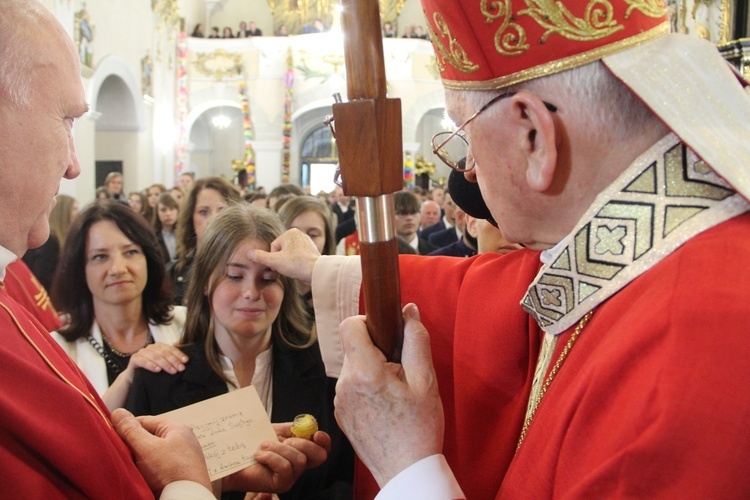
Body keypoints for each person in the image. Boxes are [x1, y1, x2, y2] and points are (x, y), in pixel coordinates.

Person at [250, 0, 750, 496]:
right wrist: (325, 271)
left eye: (461, 132)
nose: (466, 169)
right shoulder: (649, 250)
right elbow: (488, 299)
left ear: (534, 135)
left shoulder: (698, 349)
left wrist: (407, 466)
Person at [0, 2, 328, 496]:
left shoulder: (318, 367)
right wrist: (192, 483)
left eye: (268, 277)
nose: (74, 166)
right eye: (67, 119)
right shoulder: (163, 371)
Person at [127, 204, 354, 499]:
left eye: (269, 278)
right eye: (235, 276)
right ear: (206, 282)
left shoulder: (328, 367)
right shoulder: (160, 378)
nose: (251, 292)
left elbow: (349, 480)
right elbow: (132, 486)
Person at [50, 201, 187, 411]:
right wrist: (127, 379)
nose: (117, 269)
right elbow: (70, 434)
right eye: (100, 257)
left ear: (149, 259)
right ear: (80, 270)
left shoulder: (186, 326)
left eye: (130, 252)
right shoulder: (57, 351)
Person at [169, 176, 241, 305]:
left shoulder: (249, 269)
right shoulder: (173, 273)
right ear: (191, 218)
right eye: (204, 212)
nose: (213, 219)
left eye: (222, 211)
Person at [22, 193, 78, 291]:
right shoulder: (50, 240)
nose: (78, 213)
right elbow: (42, 274)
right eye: (74, 209)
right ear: (63, 212)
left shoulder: (63, 237)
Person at [154, 192, 180, 263]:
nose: (168, 214)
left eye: (172, 209)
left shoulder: (185, 235)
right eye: (163, 210)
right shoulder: (152, 237)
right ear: (157, 212)